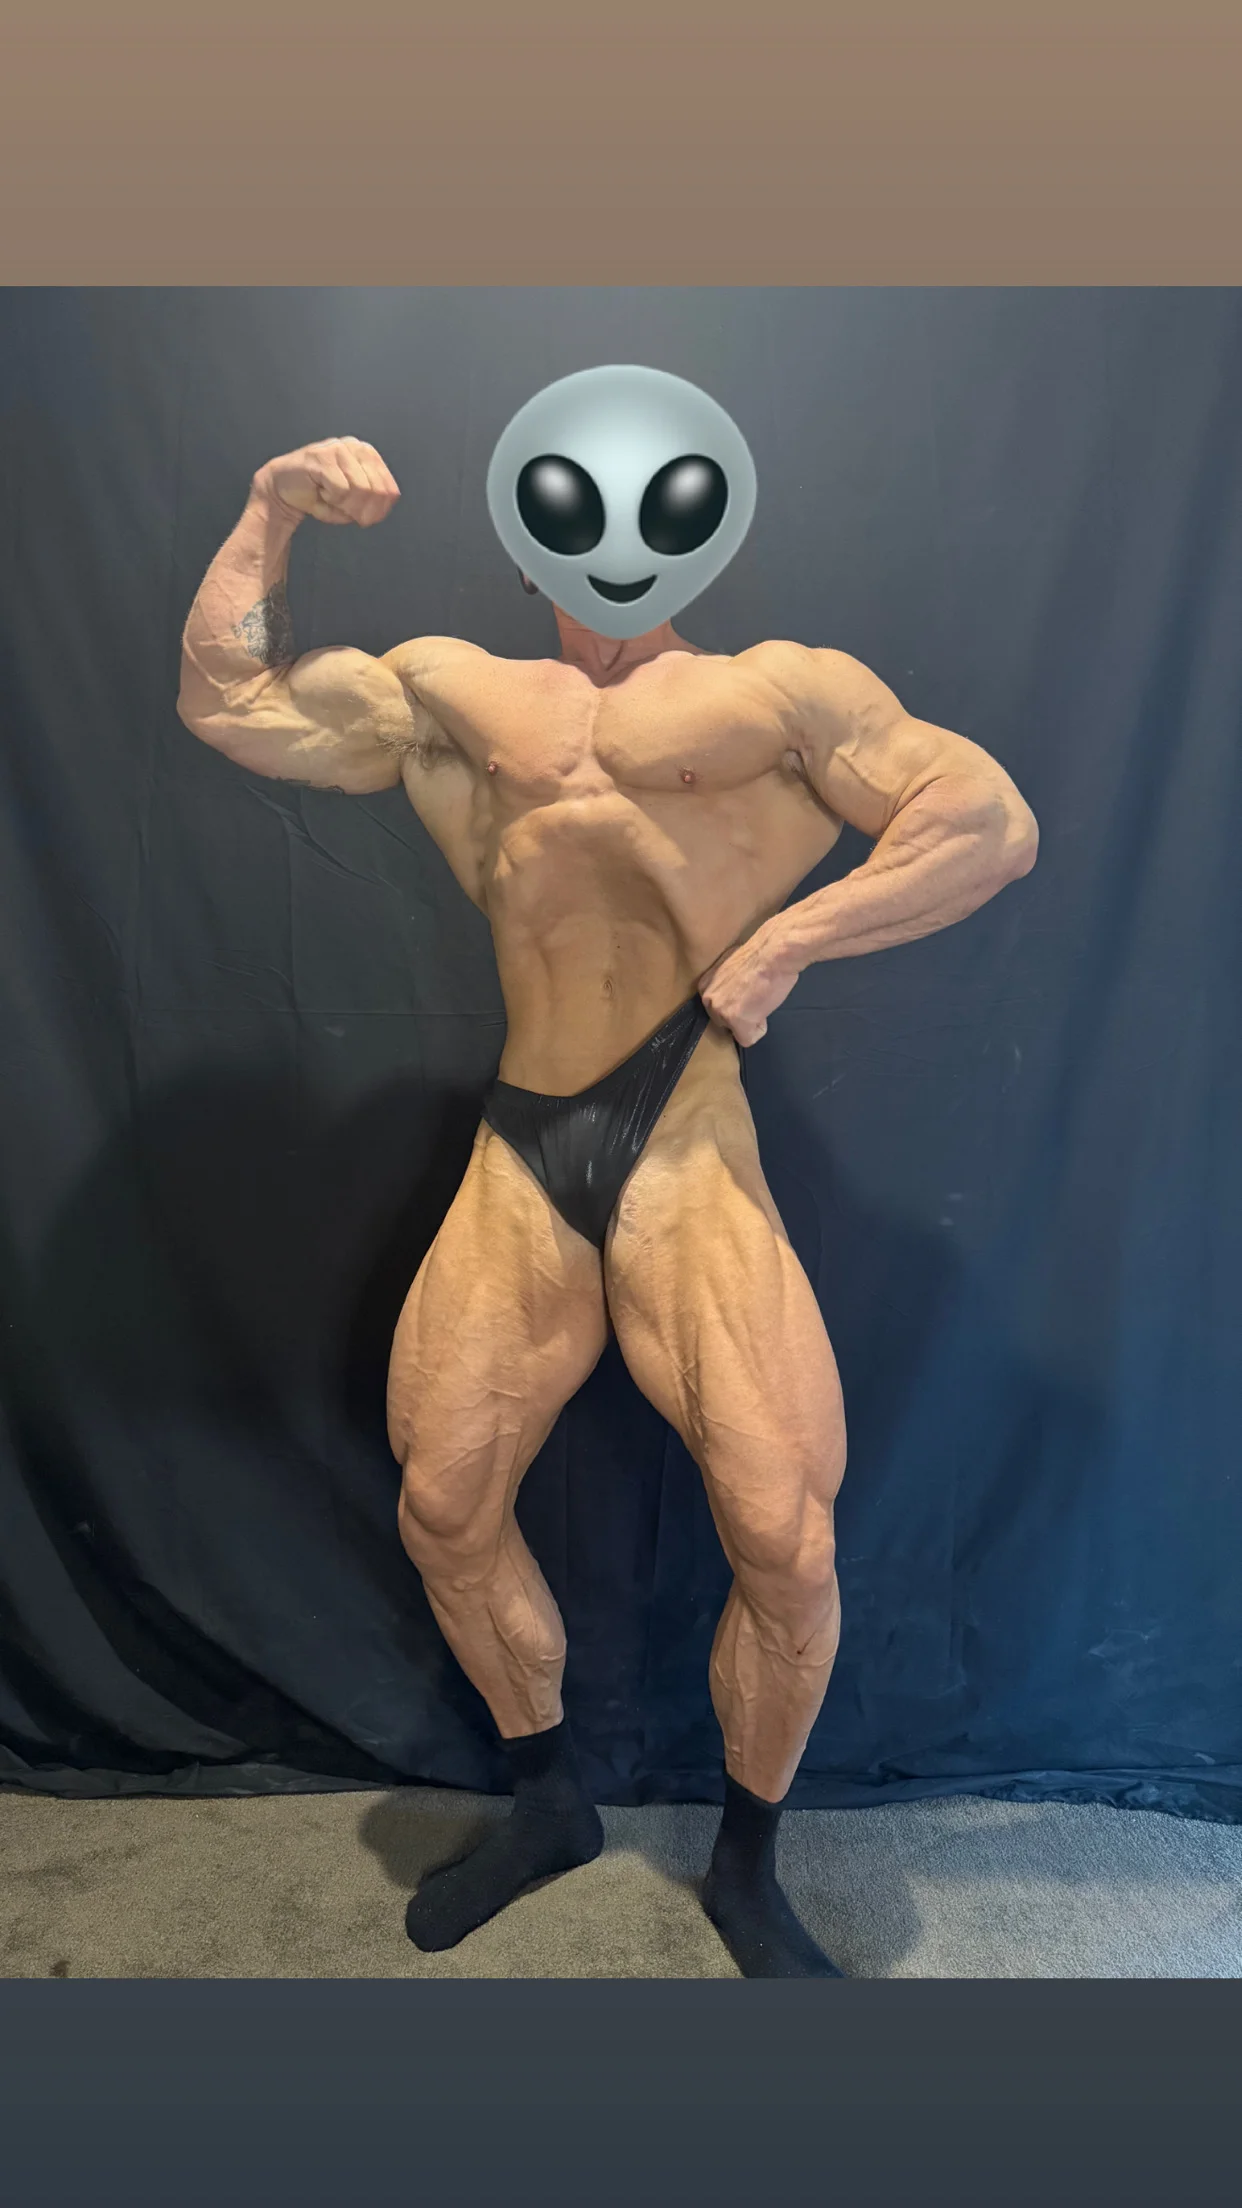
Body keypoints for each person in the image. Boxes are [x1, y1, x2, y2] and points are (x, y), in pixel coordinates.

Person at [177, 367, 1038, 1977]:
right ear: (529, 529)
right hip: (524, 1140)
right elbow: (228, 701)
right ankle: (548, 1799)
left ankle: (745, 1870)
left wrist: (792, 939)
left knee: (783, 1538)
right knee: (445, 1505)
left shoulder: (780, 693)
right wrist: (268, 510)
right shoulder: (448, 692)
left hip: (686, 1138)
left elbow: (985, 822)